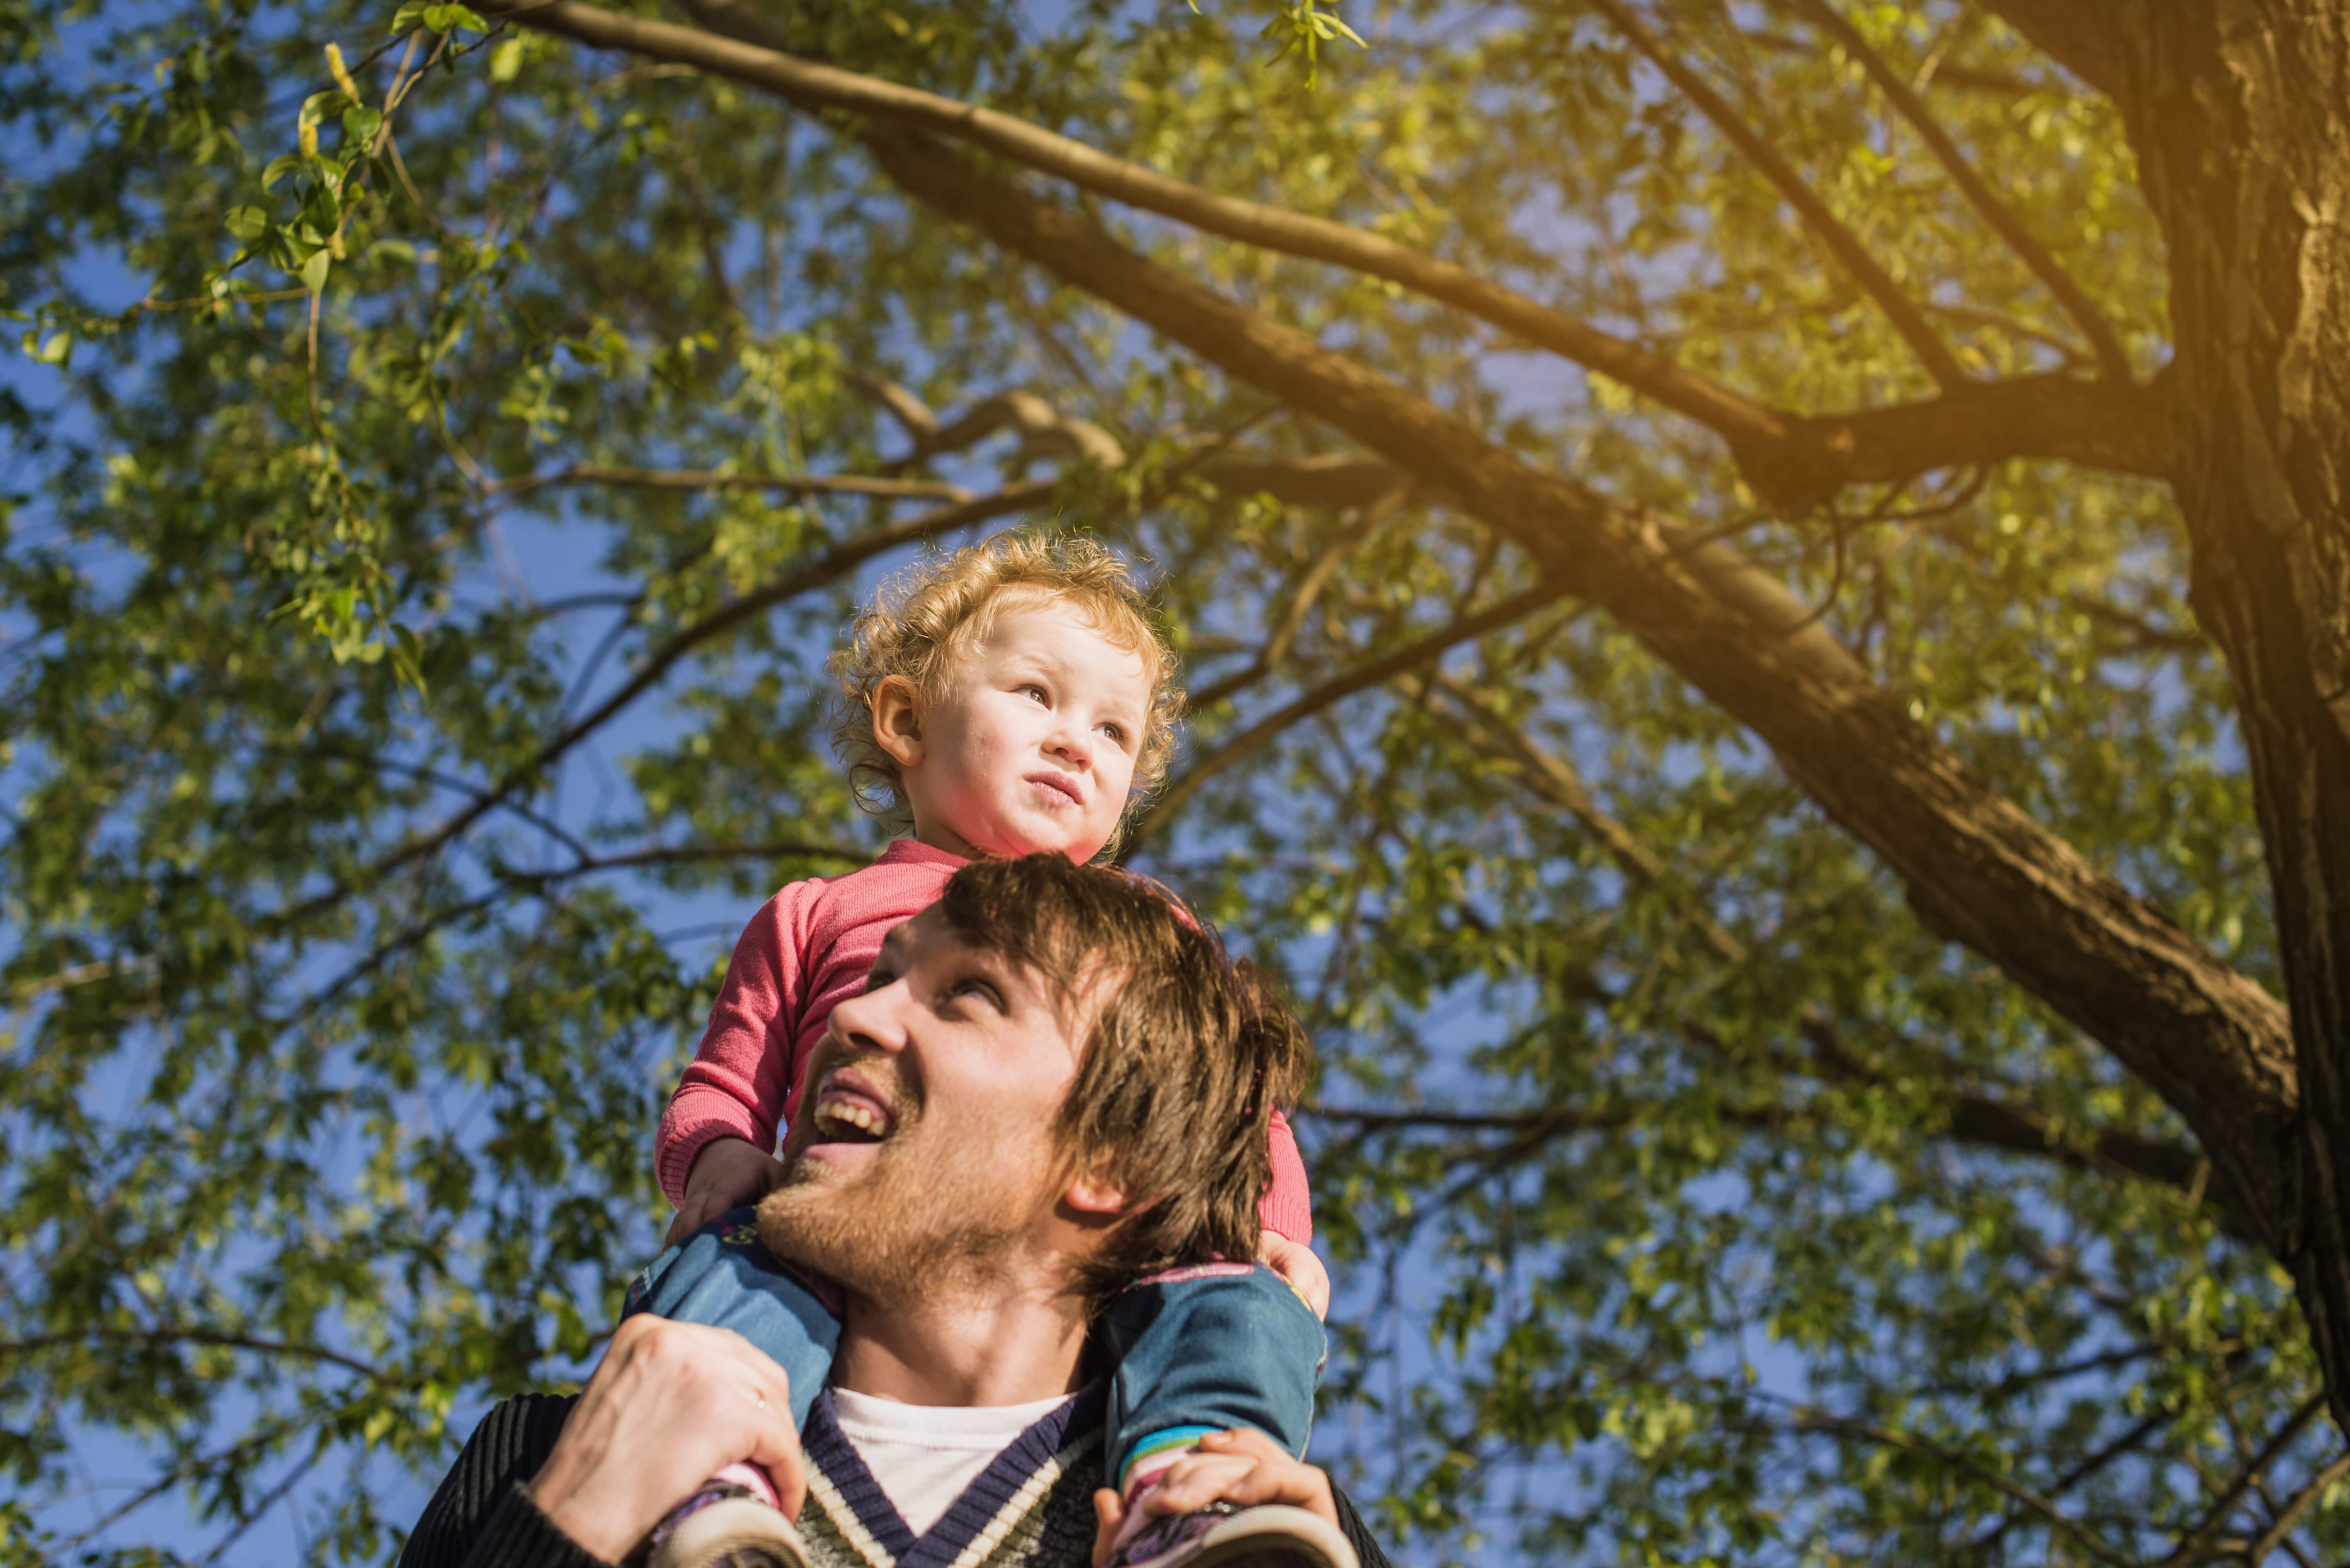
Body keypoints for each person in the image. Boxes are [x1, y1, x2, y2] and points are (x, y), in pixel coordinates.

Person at [398, 856, 1390, 1568]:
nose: (850, 1016)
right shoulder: (549, 1462)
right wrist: (574, 1525)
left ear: (1112, 1162)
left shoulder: (1260, 1533)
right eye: (877, 978)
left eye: (966, 995)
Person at [641, 537, 1331, 1545]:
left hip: (1116, 1257)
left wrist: (1269, 1223)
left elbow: (1229, 1097)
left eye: (1112, 731)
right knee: (728, 1273)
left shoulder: (1149, 933)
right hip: (831, 1217)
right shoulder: (815, 912)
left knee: (1232, 1304)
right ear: (908, 720)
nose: (1075, 742)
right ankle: (708, 1480)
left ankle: (1197, 1494)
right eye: (1036, 696)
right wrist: (720, 1156)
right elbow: (720, 1085)